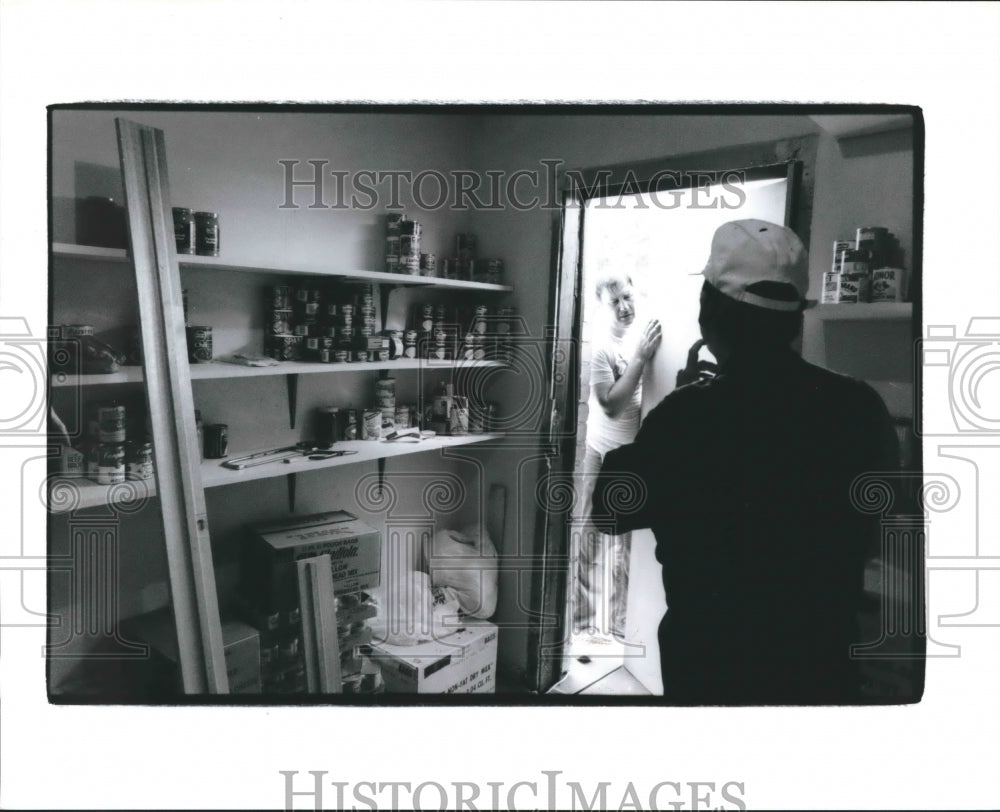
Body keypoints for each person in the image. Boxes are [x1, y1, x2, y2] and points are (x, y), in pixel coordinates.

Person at [593, 219, 899, 703]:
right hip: (819, 664)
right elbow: (880, 531)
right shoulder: (860, 407)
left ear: (706, 311)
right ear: (796, 318)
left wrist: (683, 403)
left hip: (710, 666)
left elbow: (610, 510)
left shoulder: (683, 420)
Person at [571, 271, 661, 640]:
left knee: (629, 546)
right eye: (615, 302)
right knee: (590, 538)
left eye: (627, 297)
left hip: (634, 457)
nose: (624, 307)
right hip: (600, 453)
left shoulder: (651, 335)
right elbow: (609, 404)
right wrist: (639, 358)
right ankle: (580, 621)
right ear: (602, 307)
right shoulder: (601, 347)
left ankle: (622, 622)